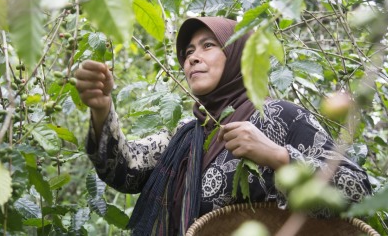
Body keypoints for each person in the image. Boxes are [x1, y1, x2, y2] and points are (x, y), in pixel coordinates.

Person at [75, 17, 371, 235]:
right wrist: (102, 109)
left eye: (208, 46)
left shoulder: (278, 115)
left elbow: (359, 192)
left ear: (237, 56)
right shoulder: (186, 135)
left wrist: (278, 156)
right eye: (188, 52)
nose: (193, 58)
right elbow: (126, 171)